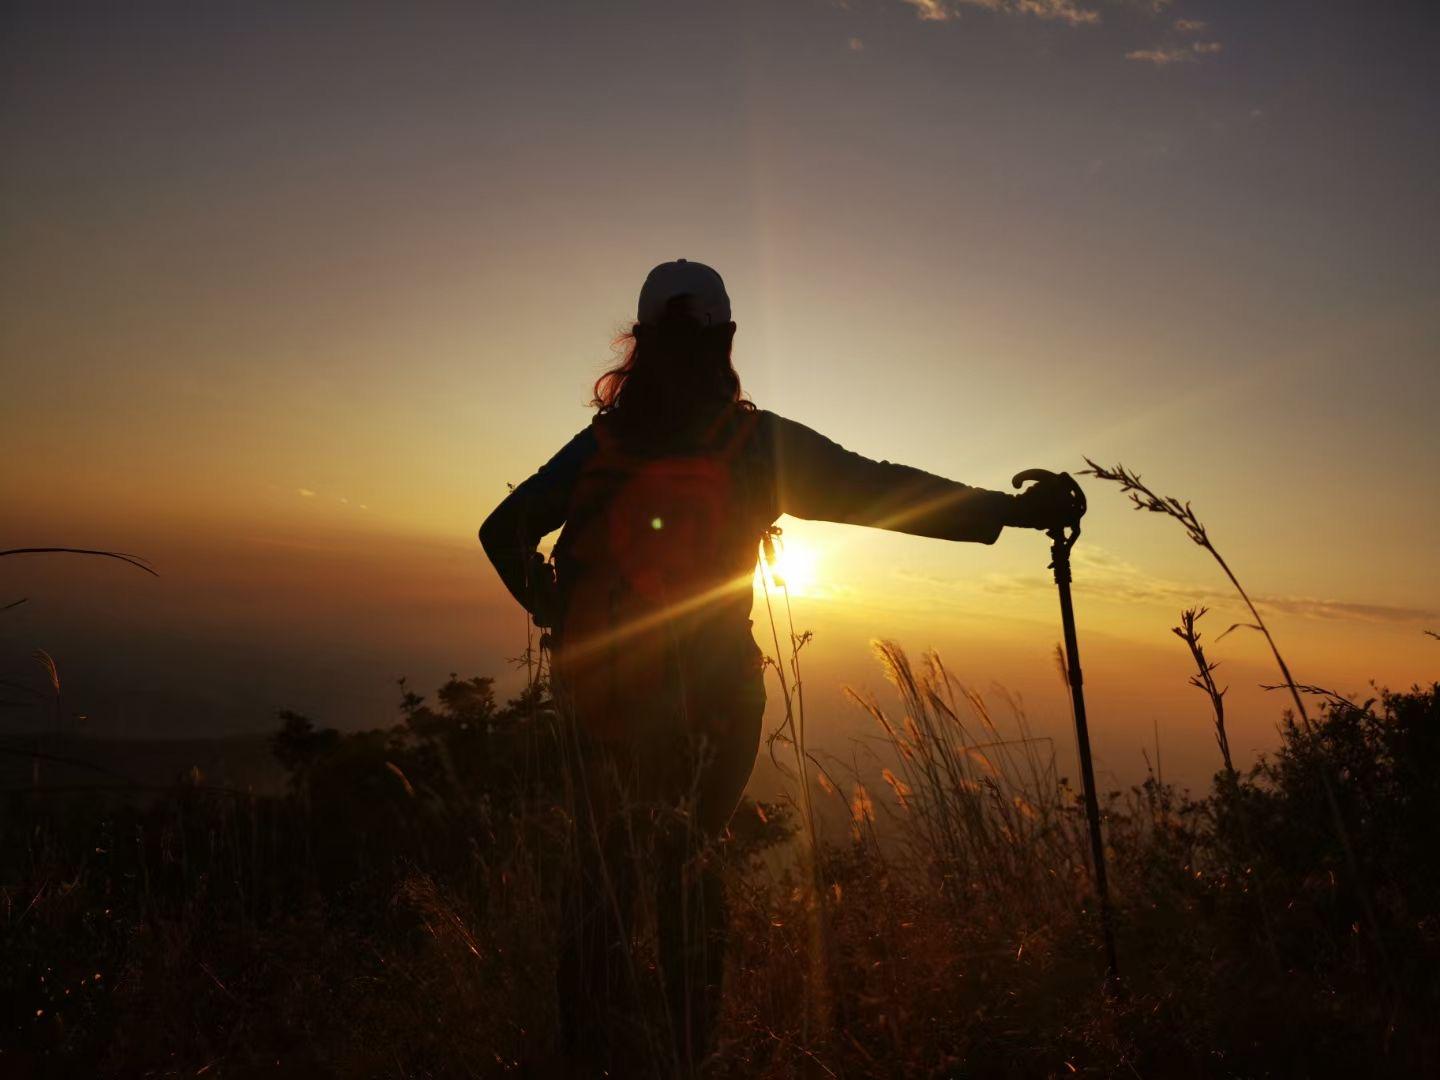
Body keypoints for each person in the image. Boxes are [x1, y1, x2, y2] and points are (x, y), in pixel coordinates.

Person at [480, 259, 1080, 1074]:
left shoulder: (603, 447)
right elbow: (881, 490)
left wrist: (562, 618)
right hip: (718, 699)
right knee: (688, 867)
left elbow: (502, 531)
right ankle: (688, 1054)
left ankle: (588, 1054)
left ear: (641, 342)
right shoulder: (755, 444)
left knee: (599, 883)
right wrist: (1011, 513)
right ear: (727, 340)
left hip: (603, 695)